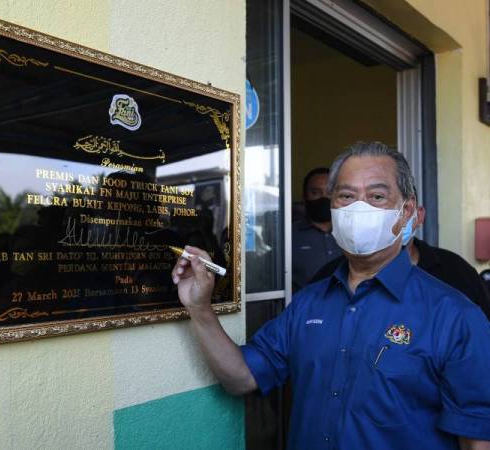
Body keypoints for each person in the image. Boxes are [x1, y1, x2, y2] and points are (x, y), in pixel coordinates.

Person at [171, 142, 490, 450]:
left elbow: (477, 438)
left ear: (405, 211)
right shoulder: (309, 304)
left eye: (376, 196)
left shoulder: (455, 316)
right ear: (332, 207)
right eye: (346, 196)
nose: (358, 208)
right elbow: (241, 378)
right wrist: (200, 308)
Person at [310, 199, 490, 320]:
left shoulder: (455, 270)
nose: (396, 222)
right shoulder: (332, 275)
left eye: (404, 212)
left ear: (418, 216)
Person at [292, 168, 342, 291]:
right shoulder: (289, 236)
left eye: (329, 193)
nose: (324, 198)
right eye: (315, 193)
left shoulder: (354, 233)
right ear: (304, 197)